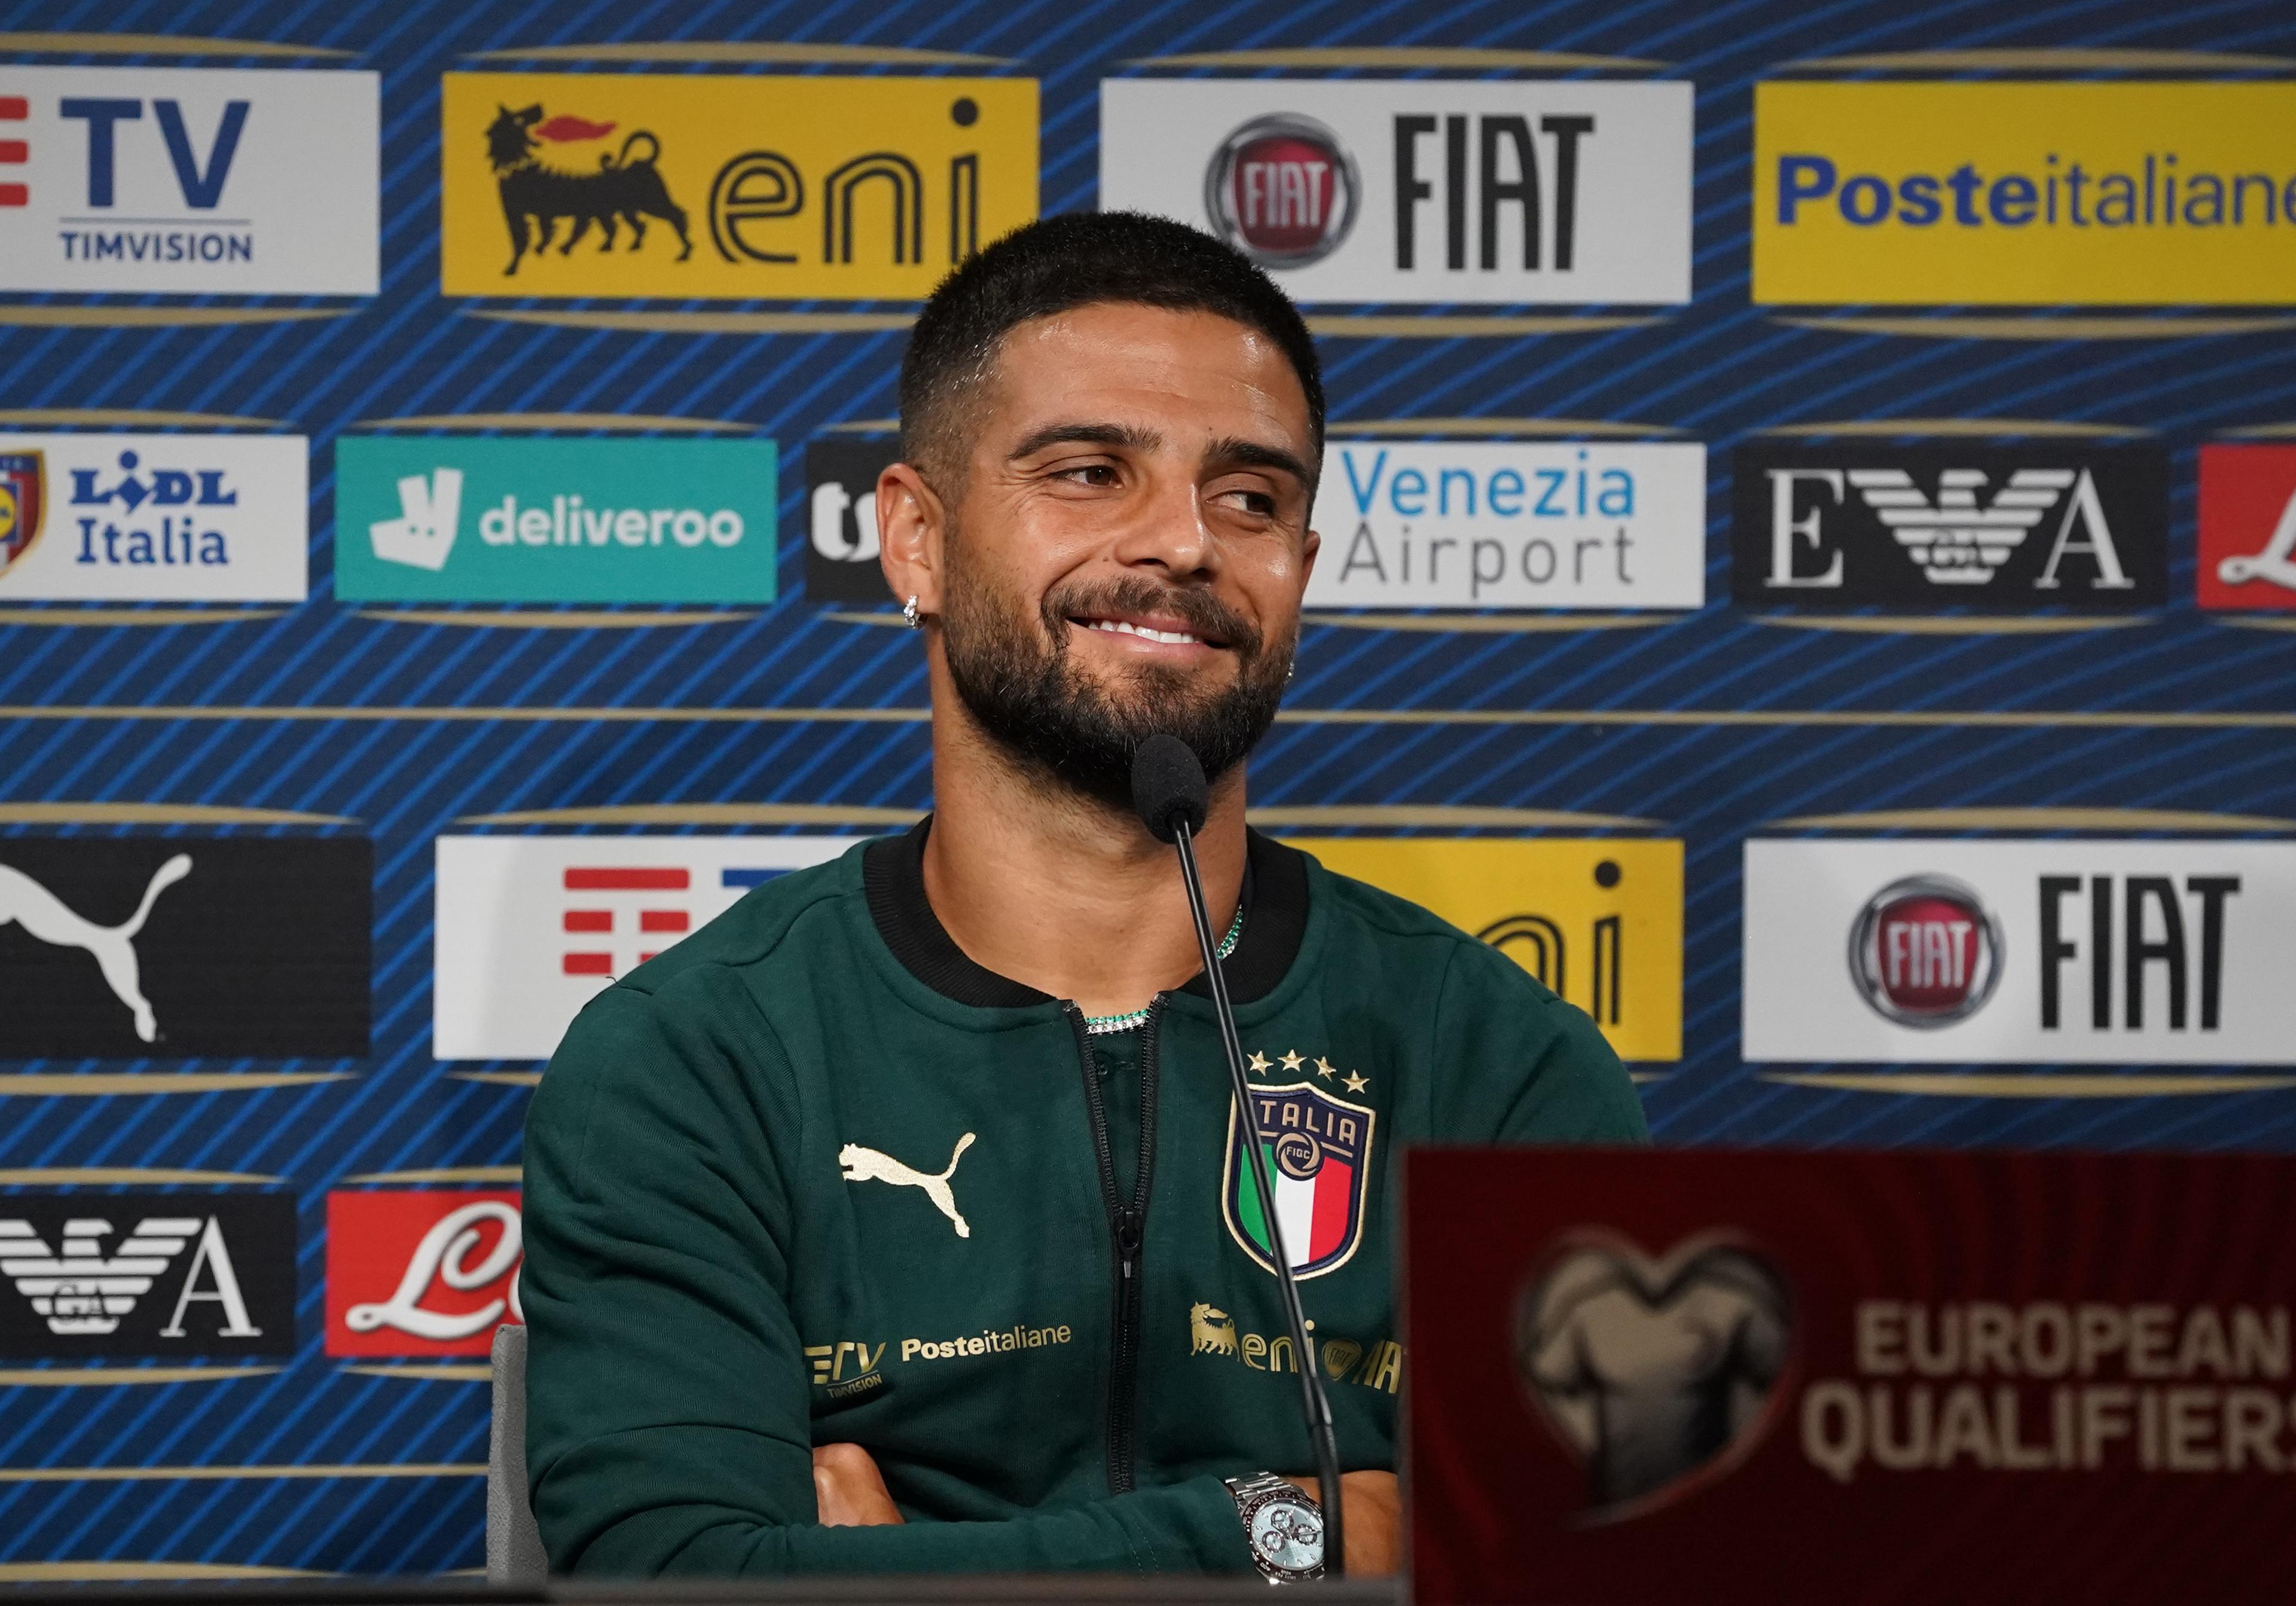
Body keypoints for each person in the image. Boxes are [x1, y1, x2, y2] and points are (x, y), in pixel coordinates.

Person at [520, 210, 1648, 1580]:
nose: (1183, 540)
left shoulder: (1496, 1066)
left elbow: (1593, 1569)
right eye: (1091, 471)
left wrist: (900, 1571)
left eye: (1251, 497)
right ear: (916, 539)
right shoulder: (695, 1062)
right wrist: (1295, 1530)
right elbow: (670, 1577)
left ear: (1302, 568)